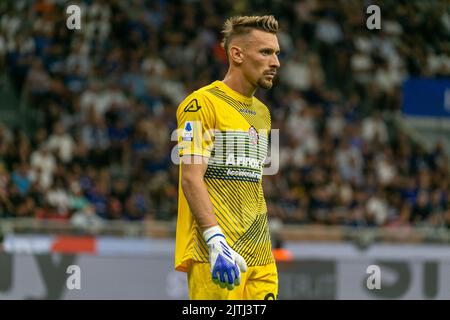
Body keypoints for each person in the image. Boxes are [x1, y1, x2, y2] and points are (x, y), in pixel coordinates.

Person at [174, 15, 281, 300]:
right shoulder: (201, 104)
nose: (275, 63)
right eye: (266, 52)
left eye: (276, 53)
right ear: (236, 54)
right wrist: (214, 240)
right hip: (218, 254)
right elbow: (190, 179)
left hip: (260, 255)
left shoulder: (263, 114)